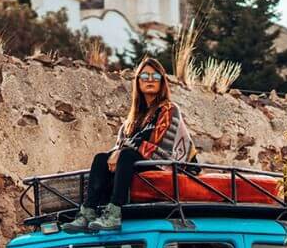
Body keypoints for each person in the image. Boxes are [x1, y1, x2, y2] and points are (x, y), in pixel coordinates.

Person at [67, 57, 194, 231]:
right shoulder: (134, 117)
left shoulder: (169, 109)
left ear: (162, 82)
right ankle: (88, 211)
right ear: (138, 83)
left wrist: (121, 151)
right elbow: (121, 142)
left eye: (155, 76)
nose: (150, 80)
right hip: (138, 160)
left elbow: (155, 140)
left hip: (164, 160)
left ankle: (114, 213)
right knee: (100, 158)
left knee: (126, 155)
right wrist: (114, 154)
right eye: (145, 76)